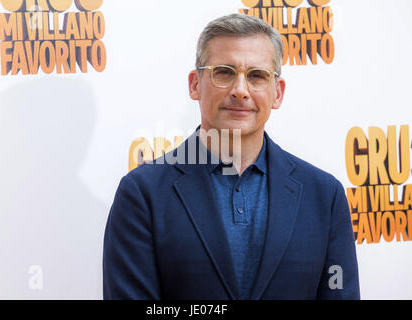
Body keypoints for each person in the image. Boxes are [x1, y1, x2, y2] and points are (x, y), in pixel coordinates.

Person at [103, 13, 360, 300]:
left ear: (278, 93)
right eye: (224, 72)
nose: (240, 91)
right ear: (195, 84)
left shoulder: (324, 195)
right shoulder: (142, 194)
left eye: (257, 76)